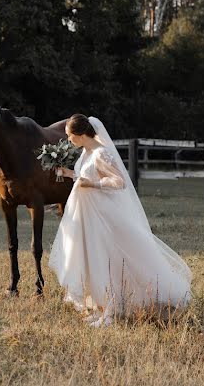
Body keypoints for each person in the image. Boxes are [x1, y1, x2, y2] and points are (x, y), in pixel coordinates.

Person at [48, 114, 192, 327]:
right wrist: (70, 174)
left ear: (80, 135)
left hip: (101, 215)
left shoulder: (101, 153)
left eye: (70, 136)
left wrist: (93, 184)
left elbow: (118, 182)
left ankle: (111, 312)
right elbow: (84, 177)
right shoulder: (86, 152)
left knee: (105, 260)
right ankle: (99, 307)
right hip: (86, 215)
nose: (69, 140)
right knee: (91, 259)